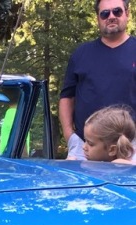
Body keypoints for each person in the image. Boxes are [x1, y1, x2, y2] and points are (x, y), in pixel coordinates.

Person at [59, 0, 136, 159]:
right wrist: (70, 137)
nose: (111, 16)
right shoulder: (81, 54)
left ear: (127, 13)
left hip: (131, 148)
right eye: (105, 13)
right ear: (98, 18)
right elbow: (67, 97)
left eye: (117, 11)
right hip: (84, 147)